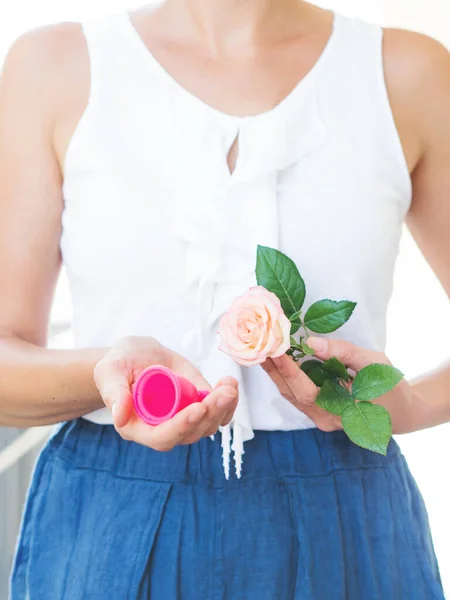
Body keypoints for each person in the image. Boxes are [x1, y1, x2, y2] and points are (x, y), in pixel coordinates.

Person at [1, 0, 449, 597]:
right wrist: (102, 373)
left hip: (346, 517)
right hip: (113, 522)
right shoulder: (52, 67)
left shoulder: (407, 72)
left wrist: (411, 403)